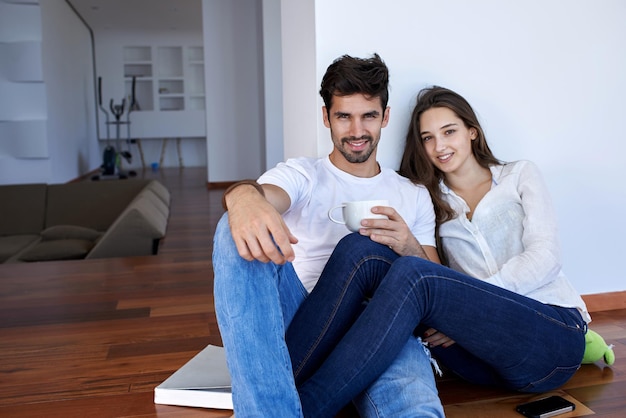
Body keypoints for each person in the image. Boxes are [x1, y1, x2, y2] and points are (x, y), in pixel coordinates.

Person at [285, 86, 591, 417]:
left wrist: (471, 305)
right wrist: (413, 252)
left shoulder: (519, 175)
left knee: (414, 275)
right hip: (477, 357)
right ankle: (280, 383)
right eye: (428, 138)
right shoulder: (428, 199)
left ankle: (304, 407)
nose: (440, 146)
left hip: (552, 335)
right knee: (361, 248)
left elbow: (546, 257)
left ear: (472, 131)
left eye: (449, 132)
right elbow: (436, 279)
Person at [213, 54, 445, 417]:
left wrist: (409, 246)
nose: (356, 130)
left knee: (414, 409)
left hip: (382, 321)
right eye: (343, 116)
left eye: (368, 116)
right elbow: (265, 197)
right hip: (302, 318)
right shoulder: (304, 174)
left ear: (385, 117)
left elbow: (437, 288)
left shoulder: (413, 194)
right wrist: (242, 196)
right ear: (326, 118)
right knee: (232, 229)